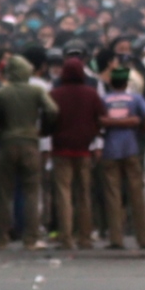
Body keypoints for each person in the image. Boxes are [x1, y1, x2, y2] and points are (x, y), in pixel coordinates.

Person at [0, 55, 58, 250]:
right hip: (30, 142)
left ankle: (1, 238)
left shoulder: (0, 93)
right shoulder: (36, 90)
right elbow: (52, 110)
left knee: (3, 193)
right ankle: (31, 238)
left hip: (7, 142)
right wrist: (44, 130)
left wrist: (0, 133)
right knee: (31, 192)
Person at [48, 57, 105, 250]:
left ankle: (66, 237)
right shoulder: (91, 94)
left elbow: (48, 119)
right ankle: (84, 237)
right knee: (84, 194)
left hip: (61, 149)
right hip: (84, 149)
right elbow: (101, 117)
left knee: (63, 193)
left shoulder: (55, 94)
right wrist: (93, 135)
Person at [100, 65, 145, 250]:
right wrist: (139, 129)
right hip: (131, 148)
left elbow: (97, 120)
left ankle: (116, 238)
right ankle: (143, 238)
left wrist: (109, 125)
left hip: (110, 150)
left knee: (113, 196)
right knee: (136, 195)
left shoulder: (104, 99)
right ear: (126, 83)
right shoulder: (135, 98)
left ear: (111, 83)